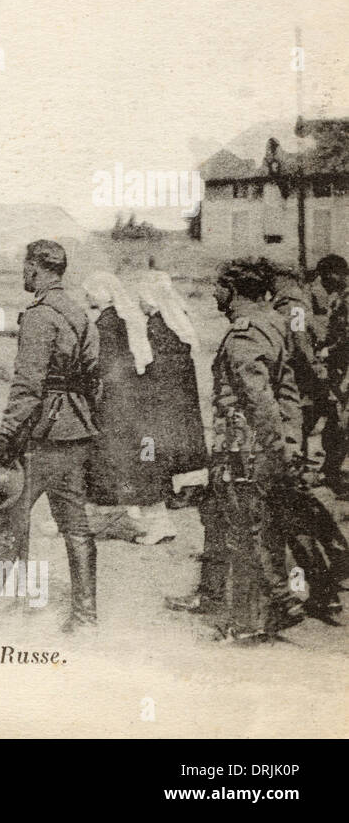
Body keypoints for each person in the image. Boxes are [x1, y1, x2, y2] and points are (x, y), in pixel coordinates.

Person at [0, 240, 100, 631]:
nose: (22, 274)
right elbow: (94, 375)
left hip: (39, 436)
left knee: (9, 520)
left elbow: (27, 388)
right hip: (75, 431)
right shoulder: (80, 314)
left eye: (24, 267)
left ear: (35, 269)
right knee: (77, 528)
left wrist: (4, 441)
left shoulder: (40, 316)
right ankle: (85, 616)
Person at [167, 258, 306, 641]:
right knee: (225, 521)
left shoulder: (244, 333)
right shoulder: (275, 324)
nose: (213, 293)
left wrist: (275, 450)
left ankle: (251, 621)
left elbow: (259, 399)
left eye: (217, 286)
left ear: (232, 290)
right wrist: (291, 443)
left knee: (244, 533)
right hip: (255, 446)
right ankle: (220, 598)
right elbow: (290, 393)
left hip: (242, 448)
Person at [82, 272, 165, 511]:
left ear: (100, 293)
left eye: (89, 290)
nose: (86, 295)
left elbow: (105, 364)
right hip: (123, 393)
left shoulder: (107, 323)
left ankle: (127, 507)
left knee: (116, 452)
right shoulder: (116, 319)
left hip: (113, 396)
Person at [136, 270, 209, 508]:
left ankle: (186, 489)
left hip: (168, 393)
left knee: (173, 439)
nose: (140, 303)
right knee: (185, 437)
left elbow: (159, 361)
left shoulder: (159, 324)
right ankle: (188, 486)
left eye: (142, 297)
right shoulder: (173, 319)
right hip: (180, 392)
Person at [311, 254, 348, 493]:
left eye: (326, 277)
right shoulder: (339, 297)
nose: (324, 283)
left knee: (342, 422)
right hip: (340, 368)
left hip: (345, 370)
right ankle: (330, 470)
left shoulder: (346, 299)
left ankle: (332, 471)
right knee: (336, 421)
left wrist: (326, 350)